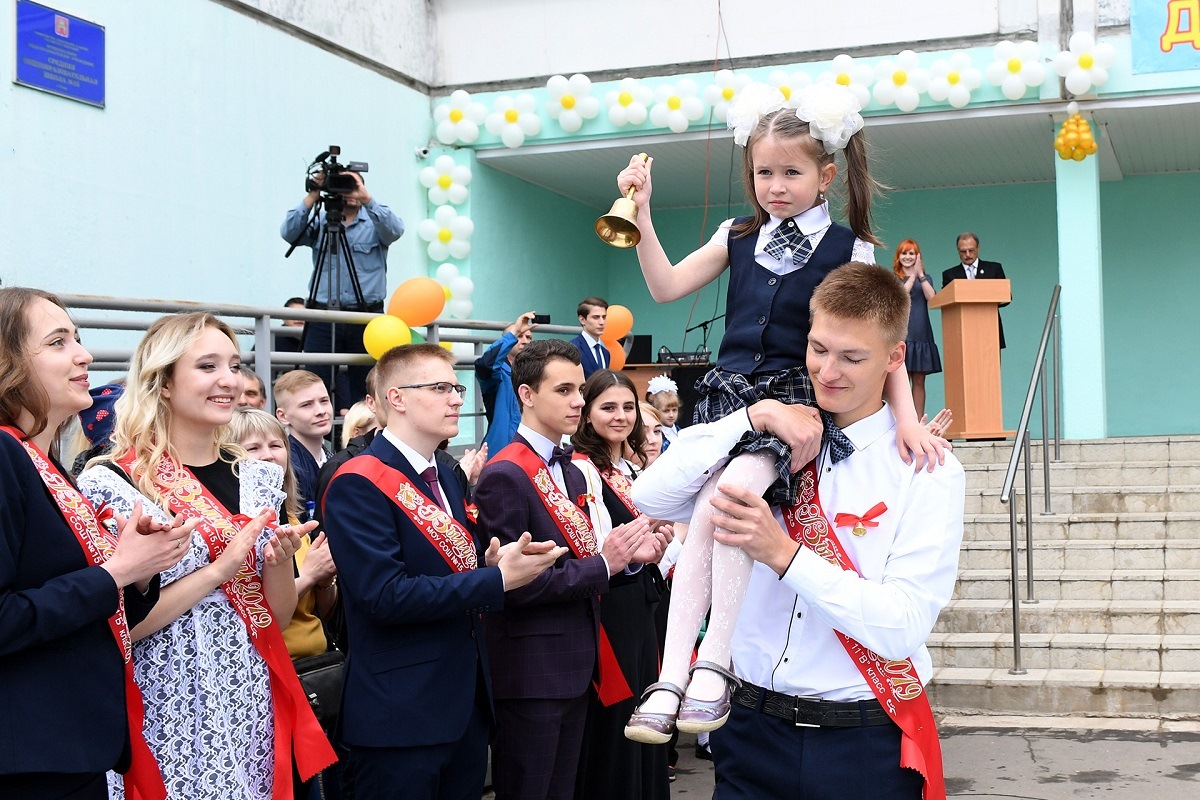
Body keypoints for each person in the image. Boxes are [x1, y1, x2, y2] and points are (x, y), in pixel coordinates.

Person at [617, 81, 947, 741]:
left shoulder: (850, 249)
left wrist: (906, 416)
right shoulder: (737, 235)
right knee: (710, 506)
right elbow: (664, 285)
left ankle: (708, 663)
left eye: (790, 172)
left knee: (733, 496)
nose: (775, 185)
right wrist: (644, 217)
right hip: (730, 398)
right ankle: (677, 671)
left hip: (796, 400)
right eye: (763, 172)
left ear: (825, 175)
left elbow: (885, 344)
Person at [633, 263, 965, 799]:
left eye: (852, 357)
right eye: (817, 349)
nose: (827, 371)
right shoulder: (771, 435)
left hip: (862, 739)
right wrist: (752, 417)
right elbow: (650, 496)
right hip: (750, 729)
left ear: (895, 356)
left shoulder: (926, 470)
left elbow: (902, 626)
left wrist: (785, 555)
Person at [77, 311, 334, 799]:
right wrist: (221, 568)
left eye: (234, 366)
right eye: (207, 366)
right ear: (165, 382)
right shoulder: (114, 481)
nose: (228, 381)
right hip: (167, 698)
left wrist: (278, 561)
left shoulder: (253, 477)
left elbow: (274, 618)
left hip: (248, 694)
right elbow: (122, 625)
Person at [321, 343, 564, 800]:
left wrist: (488, 564)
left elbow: (449, 570)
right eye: (439, 388)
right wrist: (495, 580)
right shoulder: (357, 480)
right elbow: (384, 596)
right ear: (396, 398)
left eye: (456, 387)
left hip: (465, 706)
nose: (456, 398)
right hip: (401, 714)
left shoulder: (447, 473)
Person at [0, 287, 192, 800]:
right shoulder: (5, 455)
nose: (84, 354)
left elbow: (81, 604)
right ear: (8, 362)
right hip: (29, 757)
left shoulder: (42, 462)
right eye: (58, 342)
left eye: (78, 339)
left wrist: (141, 569)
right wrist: (115, 573)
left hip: (68, 747)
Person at [474, 339, 669, 800]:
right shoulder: (506, 472)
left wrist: (623, 564)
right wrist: (606, 564)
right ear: (526, 395)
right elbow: (516, 586)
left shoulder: (570, 469)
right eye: (563, 390)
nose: (578, 401)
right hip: (532, 670)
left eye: (580, 389)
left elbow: (582, 562)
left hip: (579, 662)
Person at [571, 371, 670, 800]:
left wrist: (656, 549)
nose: (621, 416)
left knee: (646, 713)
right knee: (619, 722)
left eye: (628, 407)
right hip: (611, 608)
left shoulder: (629, 467)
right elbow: (593, 547)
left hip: (642, 603)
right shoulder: (580, 470)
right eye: (608, 407)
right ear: (587, 413)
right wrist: (632, 558)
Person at [280, 166, 405, 411]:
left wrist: (365, 197)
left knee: (367, 382)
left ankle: (364, 435)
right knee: (315, 380)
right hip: (322, 314)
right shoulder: (321, 221)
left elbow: (396, 230)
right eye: (341, 184)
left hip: (365, 314)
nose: (348, 190)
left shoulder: (374, 222)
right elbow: (289, 232)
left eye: (352, 184)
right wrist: (314, 194)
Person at [476, 311, 537, 455]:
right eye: (519, 336)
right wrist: (514, 331)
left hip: (531, 448)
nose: (524, 341)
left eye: (528, 337)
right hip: (502, 450)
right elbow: (485, 365)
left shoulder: (536, 374)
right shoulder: (497, 374)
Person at [274, 369, 334, 515]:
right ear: (283, 416)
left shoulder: (331, 455)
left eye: (324, 401)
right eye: (307, 405)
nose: (320, 411)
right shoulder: (286, 465)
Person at [893, 239, 941, 418]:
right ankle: (902, 421)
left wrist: (920, 274)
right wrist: (912, 276)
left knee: (920, 380)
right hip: (902, 334)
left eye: (911, 253)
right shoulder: (894, 278)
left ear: (917, 256)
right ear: (898, 256)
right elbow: (900, 296)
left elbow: (933, 298)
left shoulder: (925, 278)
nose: (907, 257)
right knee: (901, 380)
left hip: (921, 333)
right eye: (904, 253)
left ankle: (919, 421)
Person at [941, 232, 1008, 349]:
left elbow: (1006, 297)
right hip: (962, 330)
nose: (967, 254)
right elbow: (946, 302)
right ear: (958, 250)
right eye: (963, 251)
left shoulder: (994, 269)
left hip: (989, 329)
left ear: (978, 248)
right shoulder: (950, 274)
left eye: (971, 250)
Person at [568, 297, 610, 377]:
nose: (602, 322)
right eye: (596, 317)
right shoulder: (573, 349)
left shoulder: (605, 353)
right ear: (582, 320)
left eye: (604, 317)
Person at [644, 375, 681, 452]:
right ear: (656, 411)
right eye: (666, 411)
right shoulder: (654, 435)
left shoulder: (682, 432)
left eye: (674, 410)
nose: (671, 415)